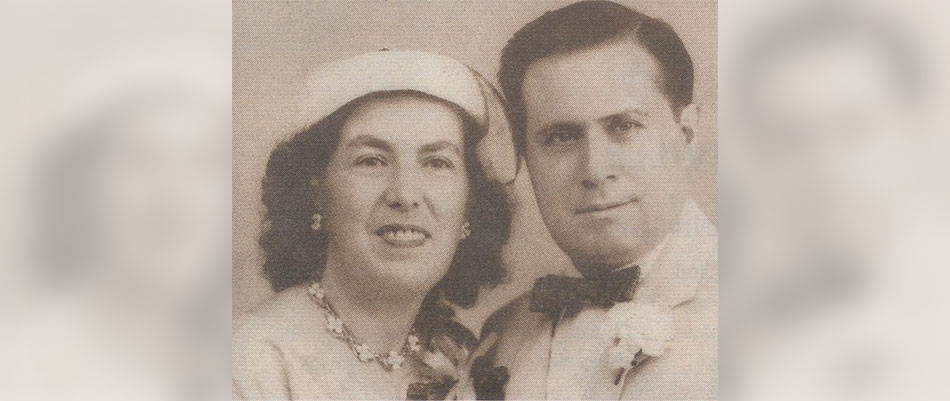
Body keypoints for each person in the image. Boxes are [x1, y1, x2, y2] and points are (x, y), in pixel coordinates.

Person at [454, 2, 717, 399]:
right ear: (526, 157)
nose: (594, 169)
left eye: (624, 126)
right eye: (561, 137)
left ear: (687, 135)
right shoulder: (502, 336)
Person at [231, 50, 517, 400]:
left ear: (470, 205)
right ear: (316, 193)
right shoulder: (251, 360)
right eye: (372, 161)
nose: (405, 195)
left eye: (437, 163)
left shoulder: (463, 356)